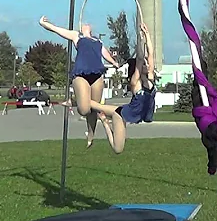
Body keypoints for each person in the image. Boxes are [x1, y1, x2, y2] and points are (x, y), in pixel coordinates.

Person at [39, 15, 119, 147]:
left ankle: (91, 135)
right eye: (84, 23)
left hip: (97, 75)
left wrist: (114, 63)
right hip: (81, 74)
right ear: (81, 28)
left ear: (91, 28)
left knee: (94, 109)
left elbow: (105, 55)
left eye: (89, 23)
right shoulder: (77, 36)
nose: (87, 24)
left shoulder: (98, 41)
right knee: (84, 109)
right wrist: (44, 24)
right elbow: (57, 30)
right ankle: (76, 101)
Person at [88, 23, 156, 154]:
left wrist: (147, 35)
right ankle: (103, 120)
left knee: (94, 105)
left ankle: (102, 118)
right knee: (117, 149)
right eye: (145, 64)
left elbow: (150, 54)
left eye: (148, 63)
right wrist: (140, 40)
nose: (147, 64)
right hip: (121, 115)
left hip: (128, 111)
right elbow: (141, 58)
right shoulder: (135, 82)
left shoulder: (150, 77)